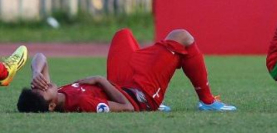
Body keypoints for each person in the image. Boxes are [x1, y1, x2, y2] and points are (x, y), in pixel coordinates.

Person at [17, 28, 236, 113]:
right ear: (52, 105)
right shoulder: (83, 105)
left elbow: (40, 58)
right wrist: (100, 81)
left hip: (122, 82)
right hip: (139, 95)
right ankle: (207, 101)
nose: (44, 84)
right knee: (183, 38)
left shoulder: (57, 94)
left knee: (123, 35)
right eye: (43, 89)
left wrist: (35, 72)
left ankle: (158, 62)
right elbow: (128, 107)